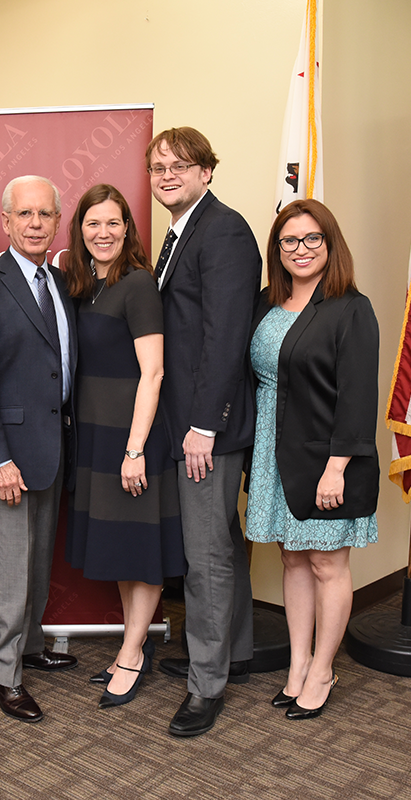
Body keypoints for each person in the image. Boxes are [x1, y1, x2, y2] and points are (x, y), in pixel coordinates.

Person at [0, 175, 78, 723]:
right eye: (23, 214)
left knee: (39, 561)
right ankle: (4, 675)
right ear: (6, 222)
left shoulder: (61, 283)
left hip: (53, 449)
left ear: (56, 222)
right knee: (12, 570)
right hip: (9, 458)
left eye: (44, 215)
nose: (34, 224)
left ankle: (29, 647)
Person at [148, 127, 261, 737]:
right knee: (220, 540)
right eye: (158, 166)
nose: (166, 174)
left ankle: (206, 685)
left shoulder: (224, 231)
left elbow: (225, 339)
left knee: (207, 556)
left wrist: (201, 427)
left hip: (206, 428)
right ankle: (230, 653)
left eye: (180, 165)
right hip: (191, 423)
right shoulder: (180, 232)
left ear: (206, 173)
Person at [246, 198, 379, 720]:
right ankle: (297, 665)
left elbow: (358, 395)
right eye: (288, 241)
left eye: (311, 239)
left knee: (326, 562)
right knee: (292, 557)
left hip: (327, 457)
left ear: (330, 244)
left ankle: (323, 668)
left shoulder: (351, 307)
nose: (300, 250)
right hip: (272, 450)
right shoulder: (265, 303)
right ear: (277, 250)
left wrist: (337, 466)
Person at [63, 184, 185, 709]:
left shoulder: (138, 284)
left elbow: (153, 373)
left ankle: (133, 652)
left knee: (141, 550)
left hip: (132, 435)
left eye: (113, 223)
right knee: (118, 548)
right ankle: (130, 647)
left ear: (127, 229)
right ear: (80, 231)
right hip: (93, 435)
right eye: (93, 224)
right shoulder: (81, 284)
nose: (103, 233)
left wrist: (134, 449)